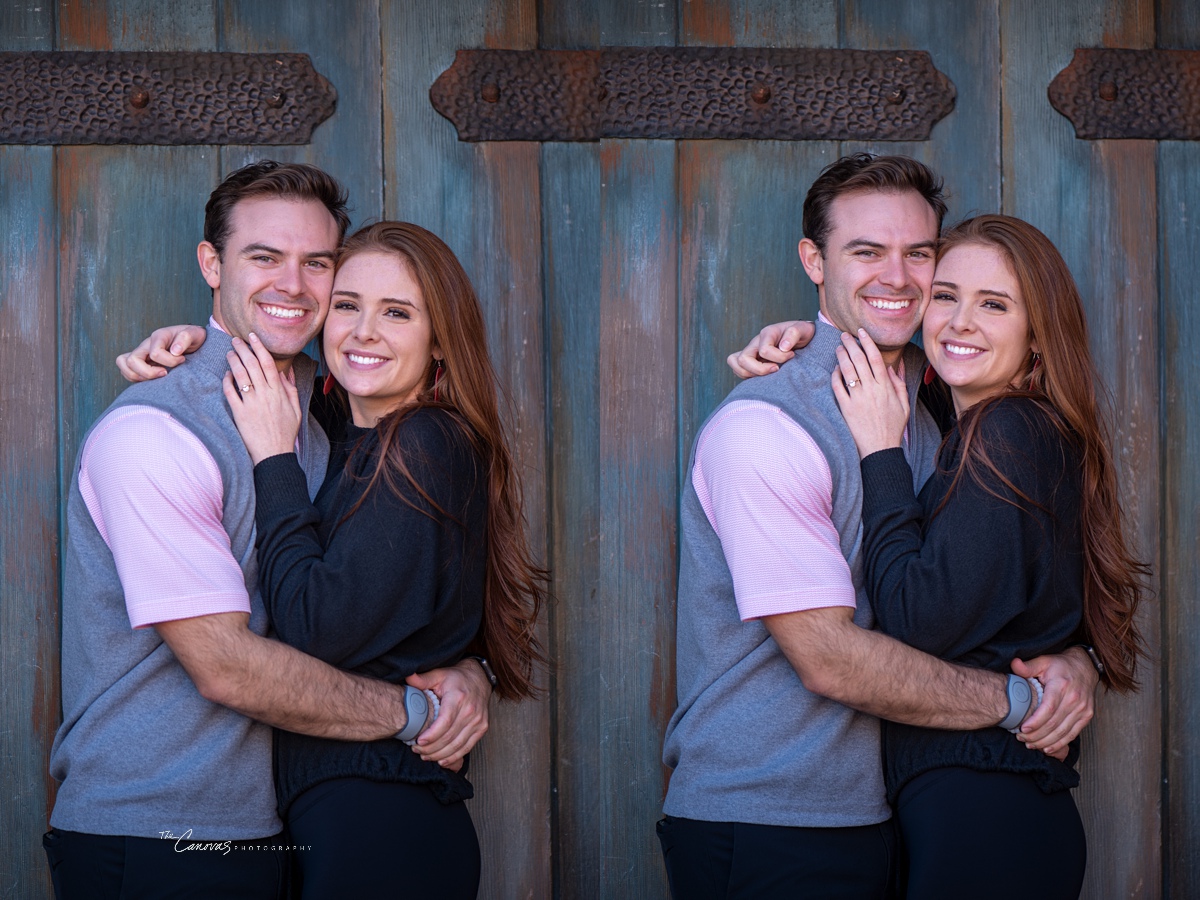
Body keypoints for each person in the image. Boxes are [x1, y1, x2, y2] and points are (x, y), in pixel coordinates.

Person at [45, 162, 492, 900]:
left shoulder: (327, 410)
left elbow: (403, 571)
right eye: (263, 257)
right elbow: (226, 666)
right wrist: (417, 713)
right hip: (155, 832)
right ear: (211, 264)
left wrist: (473, 668)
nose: (292, 284)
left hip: (275, 829)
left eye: (317, 263)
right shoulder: (154, 432)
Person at [659, 154, 1100, 899]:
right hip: (772, 821)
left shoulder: (943, 404)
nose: (896, 277)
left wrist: (1076, 658)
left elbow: (1004, 571)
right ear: (814, 260)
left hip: (894, 816)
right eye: (865, 252)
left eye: (918, 254)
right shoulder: (766, 425)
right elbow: (830, 659)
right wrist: (1024, 702)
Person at [216, 220, 546, 898]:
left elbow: (317, 628)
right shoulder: (350, 440)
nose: (363, 330)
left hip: (381, 818)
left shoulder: (426, 442)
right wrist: (195, 347)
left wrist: (273, 458)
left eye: (397, 312)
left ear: (439, 341)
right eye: (347, 305)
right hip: (336, 811)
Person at [826, 214, 1146, 897]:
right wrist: (803, 343)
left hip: (984, 809)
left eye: (994, 304)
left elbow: (917, 622)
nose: (958, 322)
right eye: (945, 295)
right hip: (972, 806)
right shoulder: (983, 427)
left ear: (1037, 338)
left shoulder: (1007, 431)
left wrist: (880, 452)